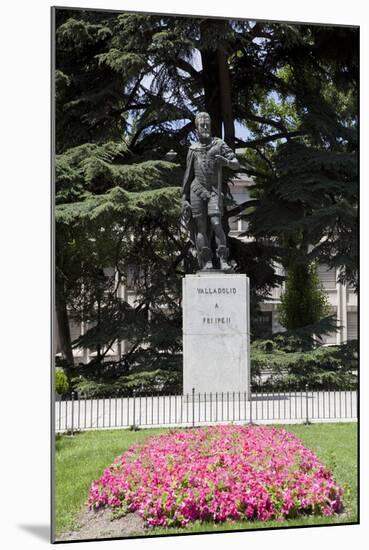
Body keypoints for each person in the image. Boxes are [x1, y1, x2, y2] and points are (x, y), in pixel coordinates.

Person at [182, 112, 240, 271]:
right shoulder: (193, 149)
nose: (205, 127)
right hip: (196, 190)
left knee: (216, 223)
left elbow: (236, 163)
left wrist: (226, 161)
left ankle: (223, 260)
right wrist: (183, 197)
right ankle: (206, 261)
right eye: (202, 125)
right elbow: (188, 175)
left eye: (207, 124)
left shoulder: (219, 144)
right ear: (197, 128)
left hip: (214, 191)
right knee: (201, 227)